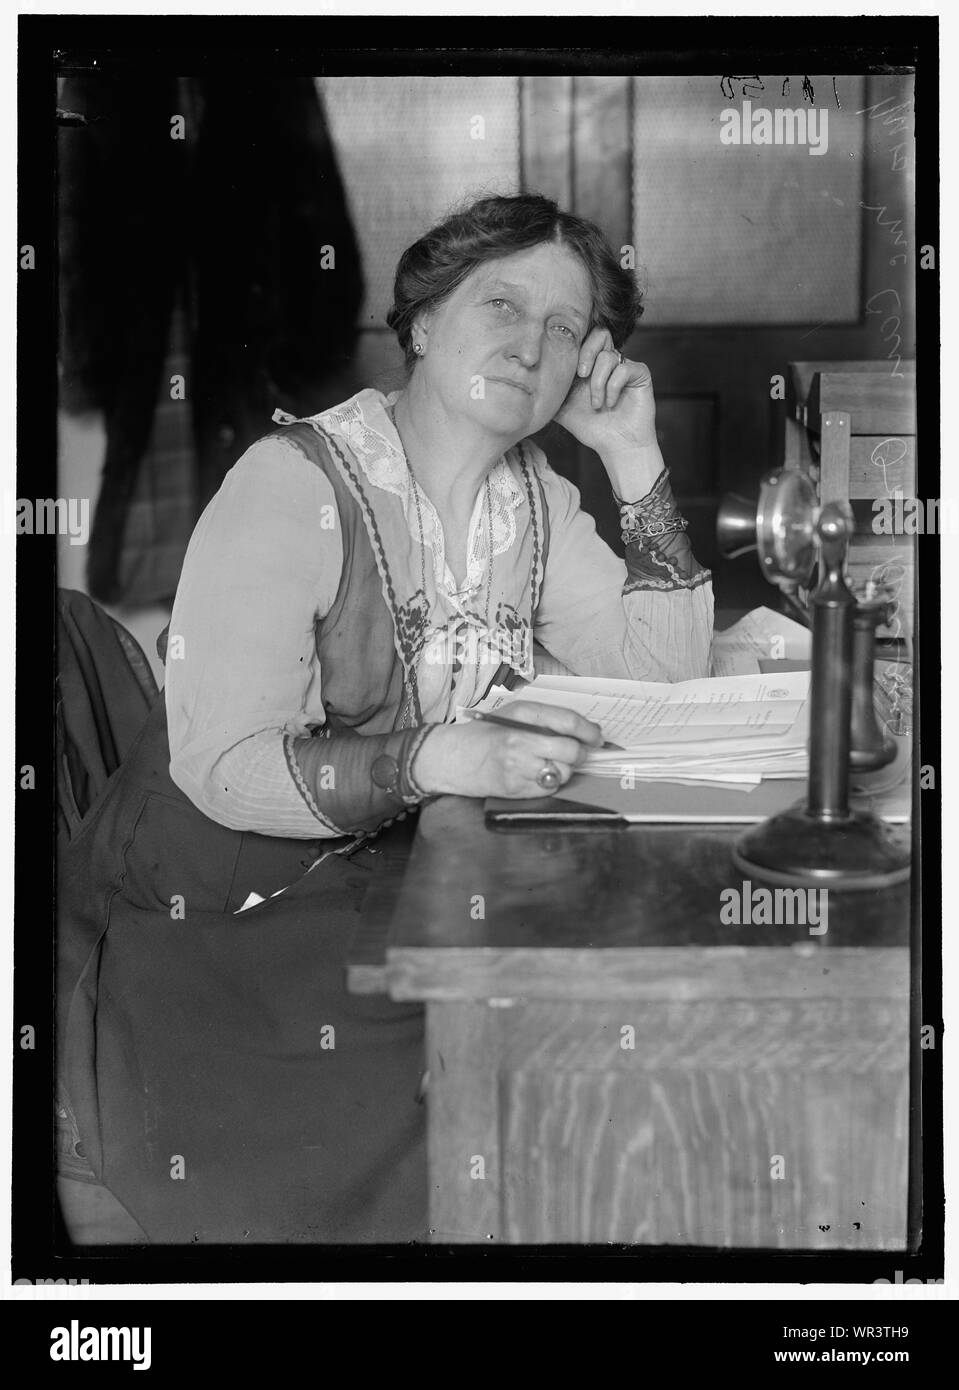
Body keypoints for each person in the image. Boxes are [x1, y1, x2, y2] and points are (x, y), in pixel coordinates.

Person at [56, 193, 713, 1247]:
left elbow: (665, 669)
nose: (529, 345)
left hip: (397, 857)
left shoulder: (533, 498)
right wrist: (441, 754)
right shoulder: (290, 483)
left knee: (545, 995)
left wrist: (631, 456)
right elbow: (222, 765)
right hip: (229, 879)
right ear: (421, 320)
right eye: (500, 303)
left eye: (562, 329)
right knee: (464, 1038)